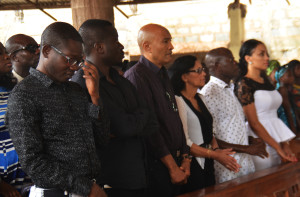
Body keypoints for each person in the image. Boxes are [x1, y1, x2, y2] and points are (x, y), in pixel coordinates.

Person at [6, 22, 107, 197]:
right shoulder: (24, 96)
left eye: (78, 61)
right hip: (57, 192)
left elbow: (102, 139)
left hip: (91, 188)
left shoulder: (75, 90)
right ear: (46, 51)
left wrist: (95, 98)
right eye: (69, 59)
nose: (74, 67)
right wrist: (84, 187)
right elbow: (33, 162)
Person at [72, 19, 158, 197]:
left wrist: (131, 123)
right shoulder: (81, 83)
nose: (121, 46)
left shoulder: (121, 80)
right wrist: (134, 121)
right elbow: (122, 126)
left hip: (139, 174)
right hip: (112, 181)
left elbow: (151, 120)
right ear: (99, 47)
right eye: (116, 41)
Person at [124, 24, 190, 197]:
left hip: (176, 162)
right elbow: (149, 129)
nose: (171, 47)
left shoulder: (162, 74)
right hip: (157, 166)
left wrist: (185, 156)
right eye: (166, 41)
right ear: (147, 46)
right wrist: (172, 167)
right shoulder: (136, 76)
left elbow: (175, 118)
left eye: (170, 41)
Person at [169, 55, 240, 192]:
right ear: (184, 77)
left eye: (203, 69)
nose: (204, 74)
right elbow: (185, 142)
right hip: (192, 163)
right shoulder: (178, 101)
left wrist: (217, 150)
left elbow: (209, 130)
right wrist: (215, 155)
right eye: (198, 71)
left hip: (208, 160)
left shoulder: (200, 97)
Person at [200, 47, 267, 183]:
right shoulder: (209, 93)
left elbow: (229, 128)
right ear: (217, 66)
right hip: (227, 165)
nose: (235, 62)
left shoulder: (229, 88)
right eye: (230, 60)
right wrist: (246, 148)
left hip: (244, 160)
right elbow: (208, 137)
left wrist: (249, 140)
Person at [235, 39, 297, 171]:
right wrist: (277, 147)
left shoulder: (266, 81)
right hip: (260, 140)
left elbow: (275, 116)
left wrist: (284, 143)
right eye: (261, 54)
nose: (267, 58)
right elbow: (254, 123)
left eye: (267, 54)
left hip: (277, 137)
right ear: (248, 58)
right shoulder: (244, 83)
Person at [0, 42, 31, 197]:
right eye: (0, 54)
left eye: (5, 52)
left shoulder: (14, 90)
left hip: (27, 177)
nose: (6, 56)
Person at [275, 65, 298, 134]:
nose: (292, 78)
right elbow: (287, 111)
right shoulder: (282, 90)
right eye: (289, 75)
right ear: (281, 78)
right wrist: (293, 129)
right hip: (286, 122)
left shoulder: (287, 89)